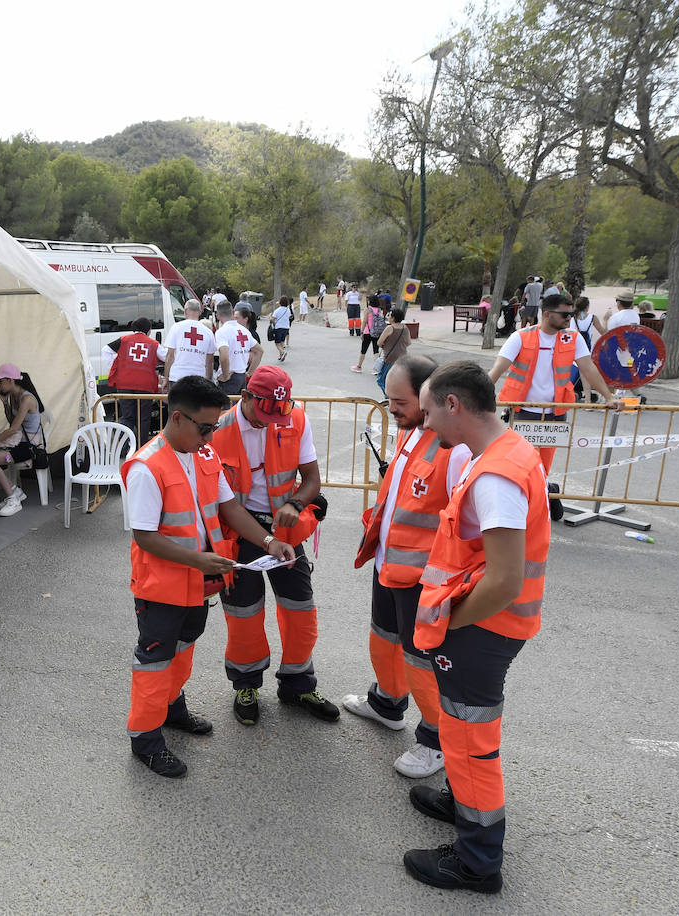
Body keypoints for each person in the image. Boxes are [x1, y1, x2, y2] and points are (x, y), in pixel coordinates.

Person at [402, 360, 551, 894]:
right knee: (461, 730)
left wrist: (452, 624)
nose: (426, 425)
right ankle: (461, 804)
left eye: (429, 412)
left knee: (470, 743)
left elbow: (506, 579)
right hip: (485, 626)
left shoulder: (495, 476)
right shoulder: (502, 452)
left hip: (482, 629)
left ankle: (477, 861)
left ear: (453, 405)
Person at [122, 376, 297, 778]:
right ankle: (145, 739)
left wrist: (269, 542)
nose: (211, 435)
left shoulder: (204, 456)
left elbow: (230, 508)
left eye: (215, 426)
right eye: (205, 427)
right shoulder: (148, 466)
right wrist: (199, 561)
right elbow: (145, 537)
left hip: (197, 586)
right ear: (178, 417)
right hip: (162, 588)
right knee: (155, 660)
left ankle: (171, 707)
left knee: (184, 650)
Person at [344, 356, 466, 779]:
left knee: (421, 661)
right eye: (388, 399)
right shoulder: (413, 432)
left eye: (399, 401)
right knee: (384, 640)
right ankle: (387, 702)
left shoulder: (455, 449)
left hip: (424, 580)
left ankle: (435, 741)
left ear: (429, 398)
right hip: (390, 565)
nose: (390, 408)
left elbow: (462, 528)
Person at [209, 365, 337, 726]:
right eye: (263, 414)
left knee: (301, 609)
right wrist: (261, 537)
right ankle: (246, 684)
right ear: (246, 396)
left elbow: (311, 479)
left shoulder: (294, 418)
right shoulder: (218, 430)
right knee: (243, 614)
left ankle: (297, 683)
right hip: (239, 531)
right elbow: (224, 504)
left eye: (276, 415)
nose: (269, 423)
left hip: (285, 533)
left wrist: (294, 504)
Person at [489, 290, 621, 519]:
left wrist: (609, 397)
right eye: (565, 315)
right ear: (547, 314)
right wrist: (479, 395)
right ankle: (536, 501)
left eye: (571, 314)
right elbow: (498, 369)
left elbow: (588, 368)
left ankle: (541, 502)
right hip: (523, 411)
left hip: (555, 413)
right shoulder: (520, 337)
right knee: (519, 463)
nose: (569, 319)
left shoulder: (573, 338)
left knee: (543, 465)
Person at [0, 363, 45, 518]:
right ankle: (14, 491)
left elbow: (13, 429)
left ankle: (13, 499)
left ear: (10, 380)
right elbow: (12, 422)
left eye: (0, 381)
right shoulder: (15, 396)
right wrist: (5, 403)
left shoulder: (27, 399)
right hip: (17, 446)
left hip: (28, 450)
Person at [106, 317, 161, 445]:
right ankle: (142, 447)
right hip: (145, 386)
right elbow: (165, 357)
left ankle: (123, 447)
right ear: (148, 330)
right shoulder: (154, 344)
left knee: (127, 416)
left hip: (124, 384)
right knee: (144, 417)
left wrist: (115, 365)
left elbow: (106, 350)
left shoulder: (123, 340)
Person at [159, 299, 217, 389]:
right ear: (200, 312)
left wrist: (166, 378)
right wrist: (208, 380)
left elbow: (169, 356)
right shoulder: (208, 332)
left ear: (185, 311)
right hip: (199, 378)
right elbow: (209, 361)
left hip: (177, 377)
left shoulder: (176, 327)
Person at [214, 300, 263, 395]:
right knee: (238, 408)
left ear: (218, 316)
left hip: (229, 377)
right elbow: (260, 351)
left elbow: (224, 355)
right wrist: (249, 373)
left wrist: (225, 375)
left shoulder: (222, 332)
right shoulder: (244, 330)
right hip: (242, 377)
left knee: (225, 408)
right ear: (232, 312)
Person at [375, 308, 411, 393]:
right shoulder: (405, 328)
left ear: (393, 318)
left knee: (381, 379)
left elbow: (379, 342)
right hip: (402, 359)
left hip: (390, 359)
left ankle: (388, 398)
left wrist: (386, 346)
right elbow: (409, 342)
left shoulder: (389, 328)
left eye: (390, 316)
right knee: (397, 381)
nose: (389, 317)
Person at [352, 294, 387, 373]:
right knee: (376, 351)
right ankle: (376, 369)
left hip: (368, 332)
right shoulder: (379, 310)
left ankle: (359, 366)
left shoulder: (368, 310)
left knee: (363, 350)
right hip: (377, 333)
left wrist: (361, 332)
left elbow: (364, 321)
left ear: (370, 301)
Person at [269, 296, 293, 361]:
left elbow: (273, 320)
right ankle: (281, 356)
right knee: (282, 342)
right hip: (286, 328)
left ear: (280, 302)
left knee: (277, 343)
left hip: (279, 328)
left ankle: (283, 352)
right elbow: (289, 317)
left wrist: (270, 316)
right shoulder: (288, 310)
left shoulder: (277, 310)